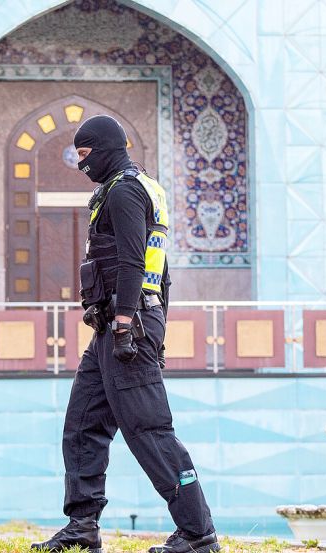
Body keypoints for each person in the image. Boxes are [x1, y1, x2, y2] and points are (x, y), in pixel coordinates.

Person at [31, 115, 219, 553]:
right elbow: (163, 271)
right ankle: (82, 526)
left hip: (126, 326)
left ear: (105, 148)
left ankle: (197, 532)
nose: (81, 165)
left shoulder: (125, 191)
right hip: (114, 327)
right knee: (82, 424)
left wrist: (127, 325)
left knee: (149, 429)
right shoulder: (126, 187)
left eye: (84, 155)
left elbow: (137, 262)